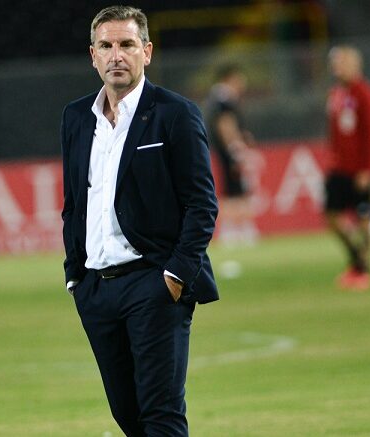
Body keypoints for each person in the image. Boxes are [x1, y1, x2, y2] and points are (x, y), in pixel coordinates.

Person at [60, 5, 218, 436]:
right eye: (106, 46)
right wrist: (76, 276)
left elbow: (202, 204)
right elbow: (74, 203)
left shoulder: (175, 113)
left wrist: (175, 275)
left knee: (161, 417)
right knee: (127, 416)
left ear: (146, 52)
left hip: (154, 282)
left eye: (127, 44)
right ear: (93, 55)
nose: (116, 55)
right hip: (96, 289)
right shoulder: (76, 117)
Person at [324, 45, 370, 291]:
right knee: (332, 217)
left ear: (355, 65)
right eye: (335, 63)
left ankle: (363, 270)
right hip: (339, 168)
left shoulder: (365, 93)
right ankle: (357, 260)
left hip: (360, 170)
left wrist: (368, 169)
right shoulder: (336, 93)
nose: (336, 67)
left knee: (364, 219)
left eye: (341, 63)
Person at [204, 63, 257, 247]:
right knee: (235, 189)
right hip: (228, 150)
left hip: (223, 150)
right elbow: (225, 124)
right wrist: (235, 147)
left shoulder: (217, 98)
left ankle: (235, 229)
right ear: (230, 78)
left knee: (232, 188)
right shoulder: (224, 99)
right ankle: (236, 229)